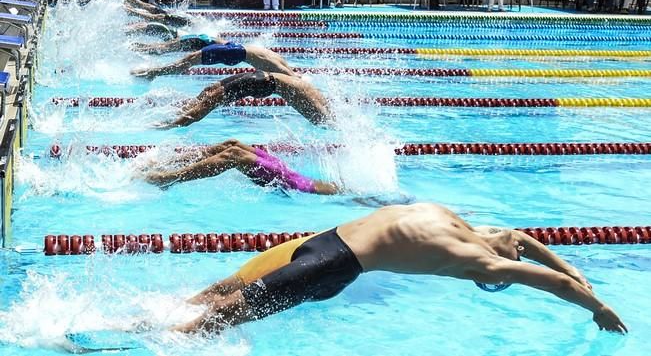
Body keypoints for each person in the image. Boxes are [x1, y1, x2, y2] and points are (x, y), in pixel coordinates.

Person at [167, 203, 627, 335]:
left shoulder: (464, 237)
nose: (520, 246)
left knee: (217, 308)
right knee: (219, 306)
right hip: (325, 256)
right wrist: (590, 293)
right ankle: (153, 330)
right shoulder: (478, 248)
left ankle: (142, 329)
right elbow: (540, 263)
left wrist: (589, 295)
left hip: (325, 253)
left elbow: (541, 265)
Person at [144, 139, 339, 194]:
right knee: (232, 144)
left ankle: (169, 178)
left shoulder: (344, 192)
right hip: (289, 172)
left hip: (290, 183)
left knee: (235, 155)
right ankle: (166, 164)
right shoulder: (348, 184)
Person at [152, 71, 331, 128]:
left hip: (262, 76)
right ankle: (172, 124)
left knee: (211, 92)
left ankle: (179, 110)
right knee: (210, 103)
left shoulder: (314, 93)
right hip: (263, 83)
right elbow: (325, 122)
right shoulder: (323, 111)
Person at [130, 35, 297, 78]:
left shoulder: (279, 59)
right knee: (187, 62)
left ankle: (153, 72)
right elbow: (293, 77)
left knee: (187, 61)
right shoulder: (281, 68)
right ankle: (152, 73)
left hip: (234, 49)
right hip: (233, 52)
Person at [119, 0, 193, 28]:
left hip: (184, 23)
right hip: (184, 20)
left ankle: (132, 12)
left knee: (160, 17)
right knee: (152, 8)